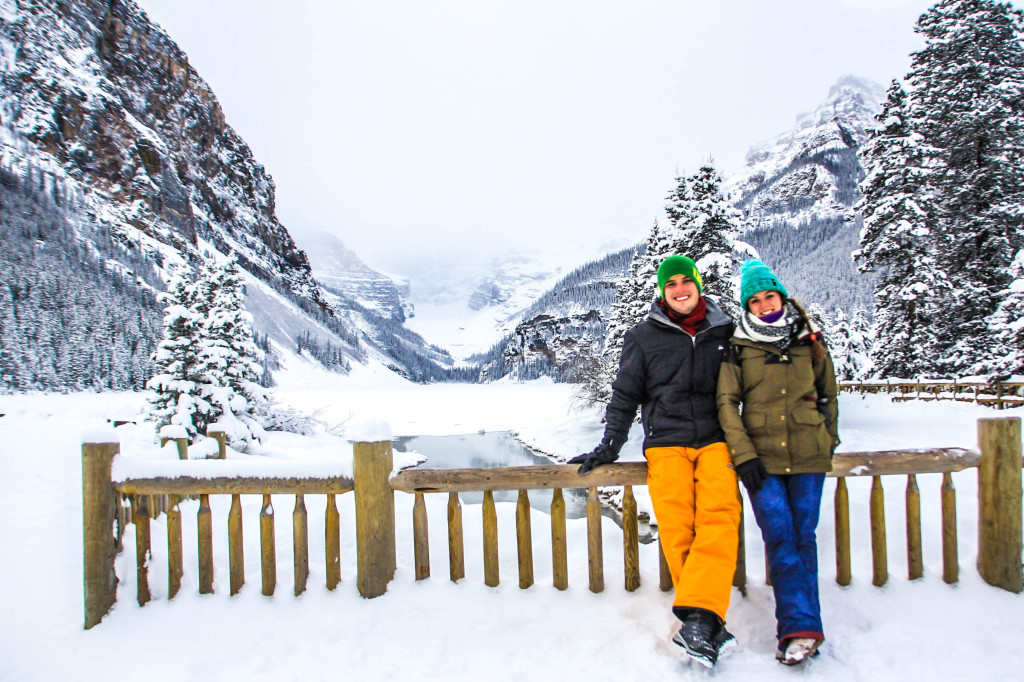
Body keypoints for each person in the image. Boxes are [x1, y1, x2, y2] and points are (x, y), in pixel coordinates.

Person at [570, 255, 741, 668]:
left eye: (686, 281)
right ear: (662, 291)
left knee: (721, 517)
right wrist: (610, 444)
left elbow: (749, 383)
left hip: (717, 441)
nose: (680, 289)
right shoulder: (643, 336)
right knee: (678, 525)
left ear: (698, 285)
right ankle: (704, 619)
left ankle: (697, 620)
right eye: (671, 284)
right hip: (665, 443)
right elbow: (625, 394)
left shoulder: (726, 330)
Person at [716, 259, 840, 666]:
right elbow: (726, 404)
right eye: (754, 300)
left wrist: (828, 438)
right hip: (761, 459)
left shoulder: (810, 342)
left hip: (808, 454)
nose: (764, 304)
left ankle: (802, 627)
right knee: (781, 537)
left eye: (769, 295)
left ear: (781, 296)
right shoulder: (739, 347)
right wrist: (744, 454)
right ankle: (801, 627)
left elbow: (828, 396)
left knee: (804, 537)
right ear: (746, 307)